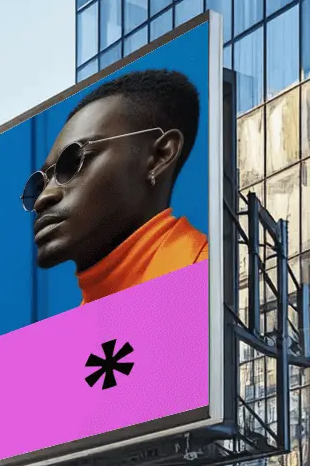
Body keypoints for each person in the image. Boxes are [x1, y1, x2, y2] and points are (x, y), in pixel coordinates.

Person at [22, 69, 208, 306]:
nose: (43, 198)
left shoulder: (205, 288)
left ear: (160, 156)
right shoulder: (71, 336)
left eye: (74, 161)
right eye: (40, 183)